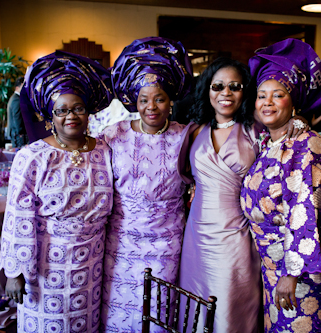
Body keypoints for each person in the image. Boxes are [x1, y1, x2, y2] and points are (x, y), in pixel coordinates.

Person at [179, 56, 307, 332]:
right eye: (218, 86)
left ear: (244, 92)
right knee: (196, 304)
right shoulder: (195, 130)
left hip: (236, 235)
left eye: (234, 86)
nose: (225, 93)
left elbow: (285, 140)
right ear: (207, 90)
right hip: (196, 235)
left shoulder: (256, 130)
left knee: (229, 306)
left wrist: (299, 124)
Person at [0, 51, 114, 332]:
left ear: (89, 112)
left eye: (78, 108)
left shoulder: (103, 150)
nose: (71, 116)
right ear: (51, 117)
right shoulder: (34, 156)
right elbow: (18, 215)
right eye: (62, 110)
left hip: (92, 261)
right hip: (48, 264)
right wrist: (16, 272)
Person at [100, 37, 195, 332]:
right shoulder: (112, 135)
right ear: (134, 101)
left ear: (171, 101)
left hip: (166, 242)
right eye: (144, 100)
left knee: (157, 313)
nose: (151, 107)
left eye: (159, 99)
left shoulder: (187, 136)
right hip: (122, 240)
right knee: (118, 312)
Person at [242, 38, 321, 332]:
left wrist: (291, 273)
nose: (267, 102)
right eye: (261, 95)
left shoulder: (306, 145)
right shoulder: (269, 142)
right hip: (272, 267)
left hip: (299, 274)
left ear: (293, 102)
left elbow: (304, 210)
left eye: (277, 94)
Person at [7, 77, 27, 148]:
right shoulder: (16, 100)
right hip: (18, 134)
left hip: (17, 133)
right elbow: (17, 117)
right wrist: (20, 132)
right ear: (17, 88)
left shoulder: (15, 98)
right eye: (23, 86)